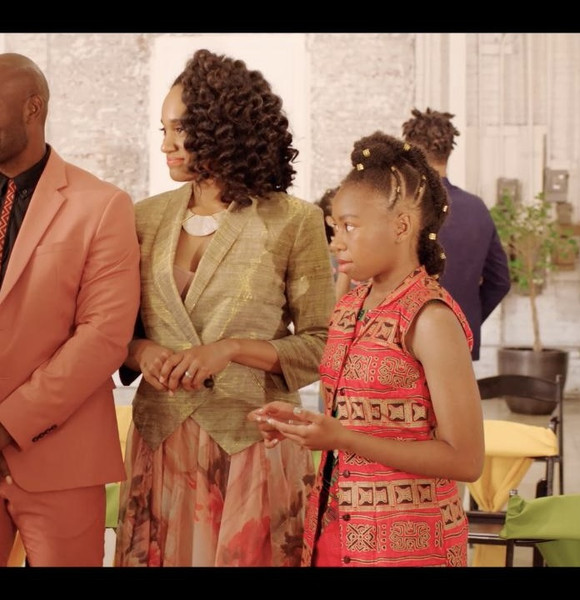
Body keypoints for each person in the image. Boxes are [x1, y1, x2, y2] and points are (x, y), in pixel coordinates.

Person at [114, 48, 335, 567]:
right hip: (159, 443)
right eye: (163, 130)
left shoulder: (293, 220)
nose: (165, 144)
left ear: (222, 128)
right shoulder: (142, 218)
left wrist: (232, 349)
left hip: (252, 445)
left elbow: (323, 345)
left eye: (180, 129)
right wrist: (142, 352)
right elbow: (113, 332)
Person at [249, 131, 485, 567]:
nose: (336, 241)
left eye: (350, 226)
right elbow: (353, 418)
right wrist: (301, 424)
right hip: (334, 527)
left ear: (401, 226)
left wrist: (341, 437)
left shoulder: (430, 318)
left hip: (408, 546)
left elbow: (466, 459)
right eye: (334, 227)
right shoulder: (350, 307)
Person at [0, 53, 140, 567]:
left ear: (32, 108)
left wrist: (8, 424)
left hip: (58, 456)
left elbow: (104, 337)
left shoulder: (101, 205)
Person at [402, 107, 511, 360]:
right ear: (448, 152)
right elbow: (500, 281)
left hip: (407, 344)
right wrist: (465, 319)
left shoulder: (403, 207)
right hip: (460, 341)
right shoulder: (477, 208)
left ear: (411, 152)